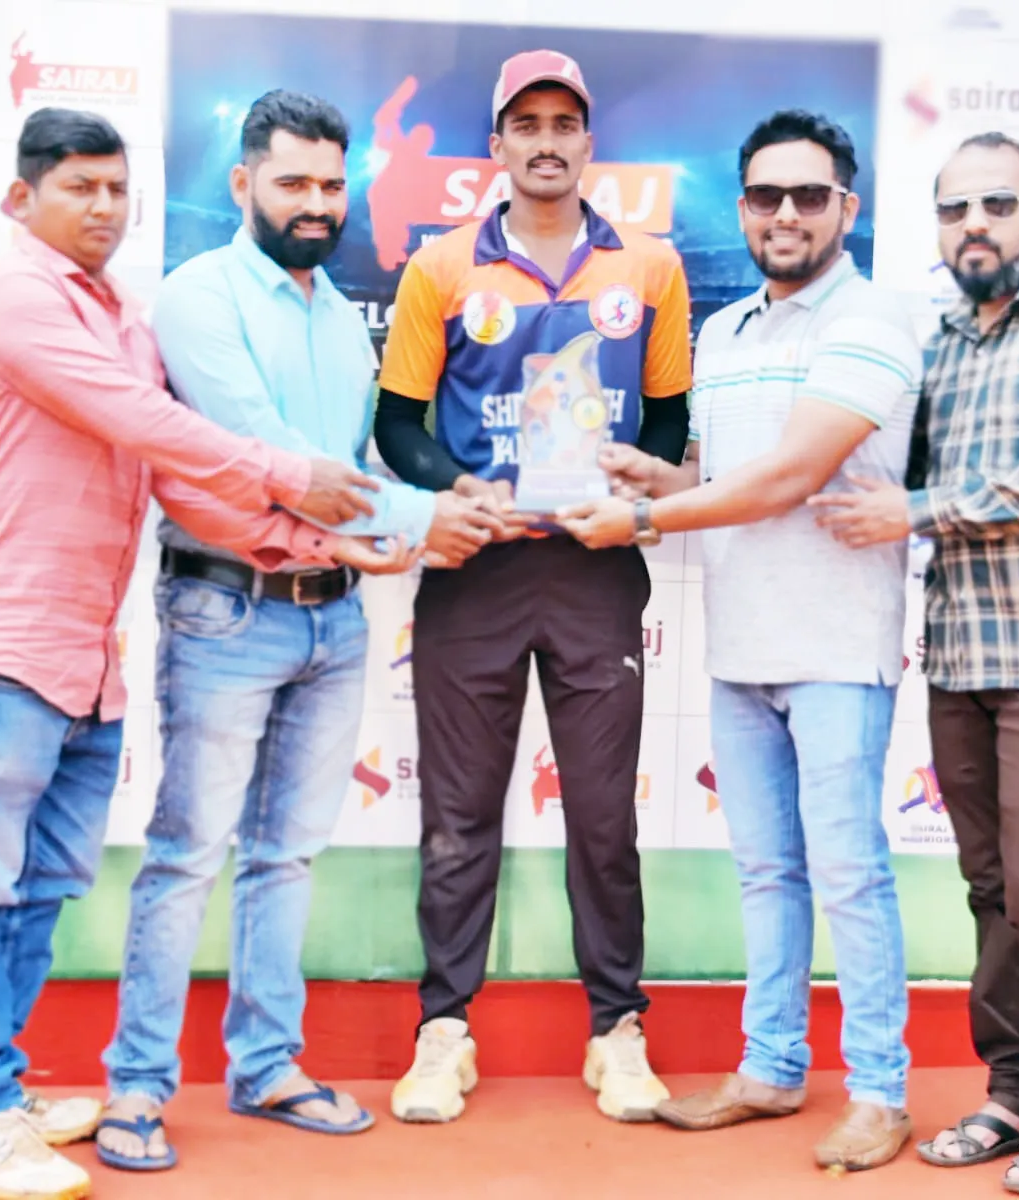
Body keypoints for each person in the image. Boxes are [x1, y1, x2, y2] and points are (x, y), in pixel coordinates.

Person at [0, 106, 412, 1200]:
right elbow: (146, 423)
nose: (103, 207)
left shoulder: (124, 319)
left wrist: (328, 540)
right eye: (76, 187)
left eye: (116, 189)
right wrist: (294, 480)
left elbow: (178, 474)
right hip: (0, 630)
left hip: (87, 646)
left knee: (40, 881)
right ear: (20, 198)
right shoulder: (15, 299)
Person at [95, 89, 501, 1171]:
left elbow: (348, 472)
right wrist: (423, 520)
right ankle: (136, 1086)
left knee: (285, 858)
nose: (316, 203)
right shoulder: (198, 296)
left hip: (335, 618)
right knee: (188, 855)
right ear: (243, 183)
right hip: (225, 609)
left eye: (331, 184)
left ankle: (267, 1065)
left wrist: (422, 517)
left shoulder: (336, 316)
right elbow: (276, 458)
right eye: (292, 183)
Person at [558, 110, 921, 1171]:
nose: (785, 214)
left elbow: (788, 478)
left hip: (837, 648)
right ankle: (770, 1068)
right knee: (767, 873)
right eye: (766, 195)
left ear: (847, 208)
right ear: (744, 207)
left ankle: (881, 1090)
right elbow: (722, 479)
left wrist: (643, 516)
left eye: (809, 195)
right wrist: (651, 475)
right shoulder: (722, 334)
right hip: (740, 647)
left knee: (848, 874)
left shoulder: (870, 320)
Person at [815, 131, 1019, 1195]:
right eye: (954, 208)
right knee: (991, 886)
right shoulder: (943, 342)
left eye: (996, 204)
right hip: (959, 652)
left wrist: (913, 511)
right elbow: (874, 458)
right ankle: (1010, 1093)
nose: (973, 224)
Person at [371, 48, 694, 1124]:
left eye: (565, 124)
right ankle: (443, 1031)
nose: (547, 141)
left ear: (588, 143)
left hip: (594, 569)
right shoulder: (439, 267)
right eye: (527, 123)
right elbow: (398, 425)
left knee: (602, 817)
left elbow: (669, 419)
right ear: (498, 144)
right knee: (457, 816)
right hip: (476, 570)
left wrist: (637, 481)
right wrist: (452, 487)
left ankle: (617, 1031)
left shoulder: (649, 267)